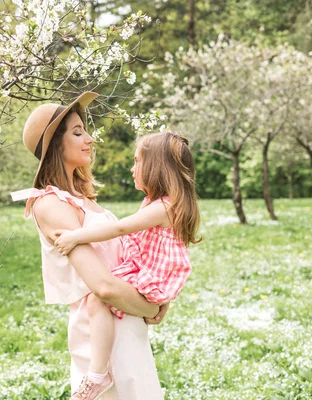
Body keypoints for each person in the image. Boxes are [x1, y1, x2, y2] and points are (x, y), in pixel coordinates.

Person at [11, 92, 167, 400]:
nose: (90, 139)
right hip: (100, 332)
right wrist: (152, 307)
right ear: (56, 144)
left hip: (125, 319)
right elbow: (102, 286)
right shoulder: (49, 204)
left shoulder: (83, 200)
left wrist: (160, 296)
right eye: (77, 132)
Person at [53, 131, 201, 398]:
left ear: (156, 168)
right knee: (97, 302)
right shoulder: (161, 204)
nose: (132, 168)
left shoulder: (163, 208)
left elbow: (120, 228)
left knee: (97, 301)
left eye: (137, 161)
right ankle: (99, 371)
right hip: (146, 269)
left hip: (150, 272)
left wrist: (76, 236)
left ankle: (97, 374)